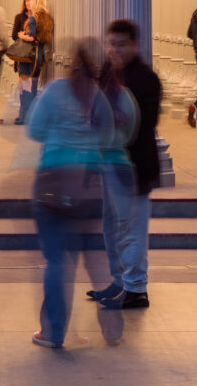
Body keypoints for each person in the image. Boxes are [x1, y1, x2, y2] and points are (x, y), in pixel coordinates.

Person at [24, 36, 132, 350]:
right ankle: (112, 329)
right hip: (91, 185)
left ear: (71, 61)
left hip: (55, 182)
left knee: (58, 260)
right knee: (97, 261)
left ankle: (53, 332)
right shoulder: (99, 97)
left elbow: (34, 129)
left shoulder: (57, 90)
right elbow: (110, 136)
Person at [96, 17, 162, 310]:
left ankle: (137, 289)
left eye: (121, 44)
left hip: (135, 166)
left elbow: (144, 125)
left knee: (132, 227)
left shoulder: (146, 78)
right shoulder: (107, 73)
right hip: (109, 163)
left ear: (135, 45)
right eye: (111, 44)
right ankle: (119, 280)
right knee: (111, 225)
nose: (114, 50)